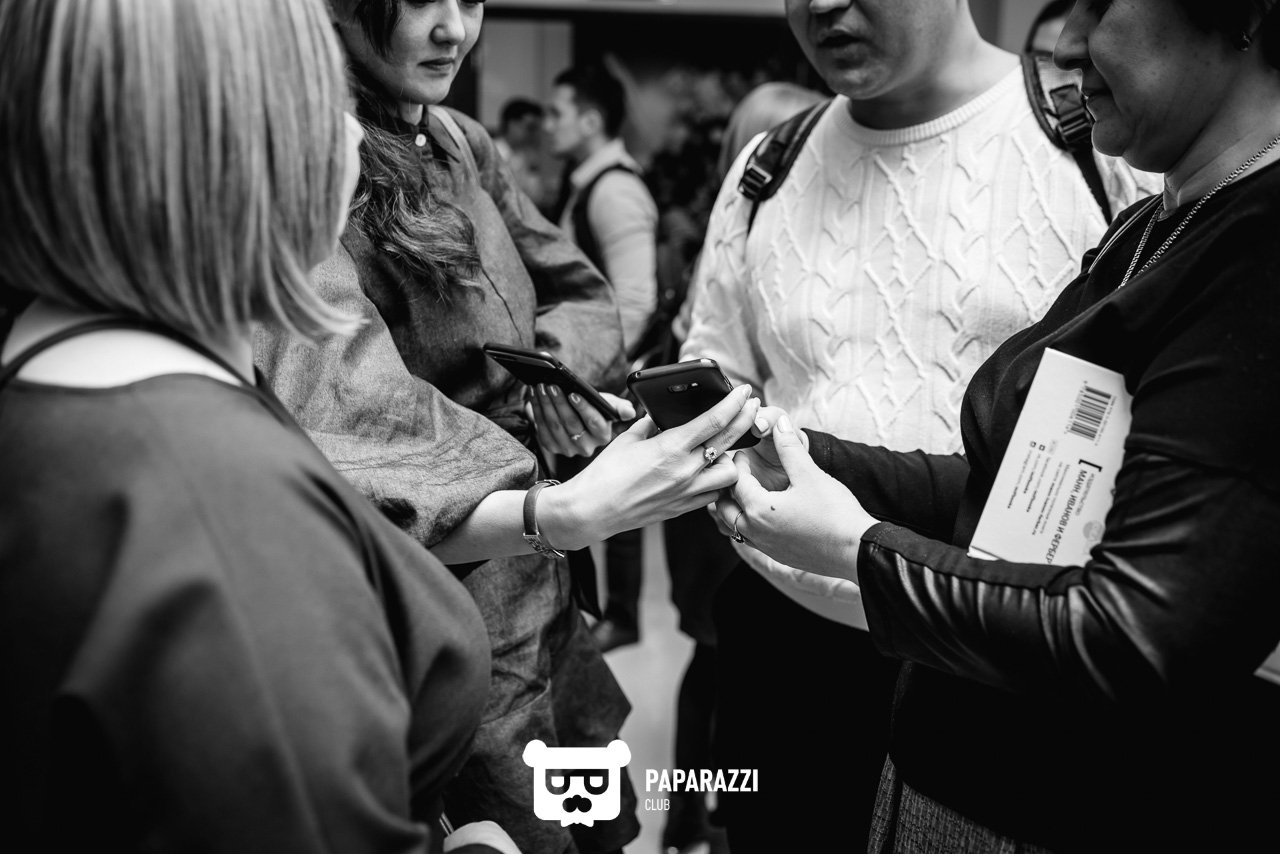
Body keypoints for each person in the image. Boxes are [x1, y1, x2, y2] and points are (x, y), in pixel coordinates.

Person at [713, 0, 1280, 850]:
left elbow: (1130, 634)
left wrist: (856, 550)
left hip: (1069, 808)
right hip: (969, 776)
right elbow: (1008, 493)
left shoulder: (1258, 251)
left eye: (1103, 4)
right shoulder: (1163, 222)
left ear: (1242, 13)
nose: (1069, 42)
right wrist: (798, 454)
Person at [0, 0, 515, 851]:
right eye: (320, 97)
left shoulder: (55, 368)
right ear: (230, 149)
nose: (354, 135)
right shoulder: (218, 514)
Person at [256, 3, 761, 852]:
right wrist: (535, 487)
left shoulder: (460, 141)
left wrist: (547, 380)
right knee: (515, 822)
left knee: (594, 818)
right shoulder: (309, 164)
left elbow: (580, 290)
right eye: (420, 0)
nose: (454, 29)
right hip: (449, 584)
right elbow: (346, 413)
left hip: (546, 569)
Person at [657, 79, 828, 854]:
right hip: (731, 477)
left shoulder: (738, 224)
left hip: (733, 479)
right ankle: (698, 821)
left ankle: (690, 822)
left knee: (711, 661)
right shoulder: (746, 222)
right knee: (718, 661)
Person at [544, 63, 661, 654]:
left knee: (617, 502)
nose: (548, 124)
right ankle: (599, 612)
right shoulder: (588, 181)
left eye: (558, 112)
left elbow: (635, 301)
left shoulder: (614, 190)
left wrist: (593, 372)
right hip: (599, 370)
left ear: (590, 121)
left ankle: (621, 615)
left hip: (614, 375)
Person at [494, 98, 555, 215]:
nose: (535, 135)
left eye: (537, 129)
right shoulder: (491, 153)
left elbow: (536, 197)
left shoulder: (525, 155)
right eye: (531, 128)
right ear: (512, 125)